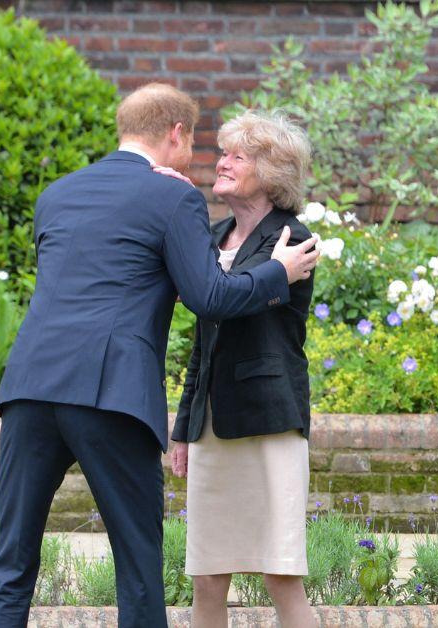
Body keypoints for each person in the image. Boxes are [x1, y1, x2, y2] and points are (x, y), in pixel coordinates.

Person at [0, 84, 320, 628]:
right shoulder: (174, 197)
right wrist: (276, 273)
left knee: (12, 561)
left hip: (27, 387)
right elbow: (208, 295)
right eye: (198, 145)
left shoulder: (58, 193)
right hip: (110, 393)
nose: (206, 162)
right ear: (177, 134)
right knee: (138, 567)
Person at [158, 110, 317, 628]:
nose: (221, 162)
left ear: (270, 171)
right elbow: (203, 347)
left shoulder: (293, 241)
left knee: (281, 575)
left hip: (269, 422)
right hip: (212, 428)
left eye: (236, 156)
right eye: (222, 152)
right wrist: (183, 429)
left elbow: (222, 302)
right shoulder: (214, 234)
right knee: (207, 576)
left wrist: (268, 272)